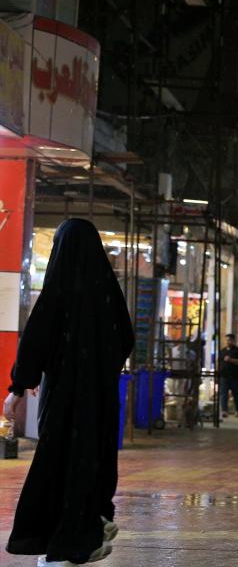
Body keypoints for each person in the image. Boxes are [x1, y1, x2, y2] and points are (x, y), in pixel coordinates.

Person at [3, 219, 134, 566]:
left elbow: (35, 341)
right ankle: (90, 528)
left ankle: (61, 542)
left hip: (62, 398)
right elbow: (126, 339)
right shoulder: (108, 290)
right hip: (101, 400)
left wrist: (17, 387)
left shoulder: (57, 290)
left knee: (58, 462)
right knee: (92, 460)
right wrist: (100, 370)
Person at [218, 334, 238, 419]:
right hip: (224, 376)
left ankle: (237, 410)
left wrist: (231, 360)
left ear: (233, 341)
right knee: (223, 394)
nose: (227, 342)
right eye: (226, 340)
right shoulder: (222, 351)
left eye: (229, 340)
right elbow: (219, 362)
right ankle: (224, 411)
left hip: (235, 377)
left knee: (236, 394)